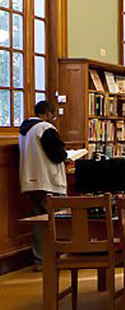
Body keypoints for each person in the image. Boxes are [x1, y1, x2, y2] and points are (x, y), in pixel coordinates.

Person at [19, 100, 68, 270]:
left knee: (39, 224)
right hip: (49, 181)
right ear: (47, 113)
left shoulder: (25, 130)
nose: (53, 119)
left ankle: (41, 260)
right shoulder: (45, 128)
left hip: (30, 181)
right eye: (52, 115)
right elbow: (58, 154)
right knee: (61, 220)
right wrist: (67, 155)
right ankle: (60, 257)